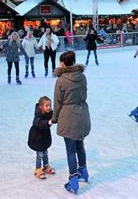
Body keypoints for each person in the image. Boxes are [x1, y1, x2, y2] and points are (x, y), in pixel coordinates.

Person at [52, 51, 91, 194]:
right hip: (82, 114)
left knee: (70, 150)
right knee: (80, 145)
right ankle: (84, 171)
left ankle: (73, 181)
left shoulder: (61, 80)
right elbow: (84, 94)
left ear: (63, 63)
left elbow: (58, 102)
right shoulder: (82, 77)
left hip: (68, 116)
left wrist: (54, 118)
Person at [28, 96, 56, 180]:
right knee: (40, 155)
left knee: (45, 153)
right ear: (41, 107)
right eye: (46, 106)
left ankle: (46, 166)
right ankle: (38, 169)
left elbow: (55, 116)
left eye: (50, 105)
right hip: (37, 138)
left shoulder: (49, 112)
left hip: (44, 137)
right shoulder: (38, 114)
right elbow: (38, 123)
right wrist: (48, 122)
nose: (49, 107)